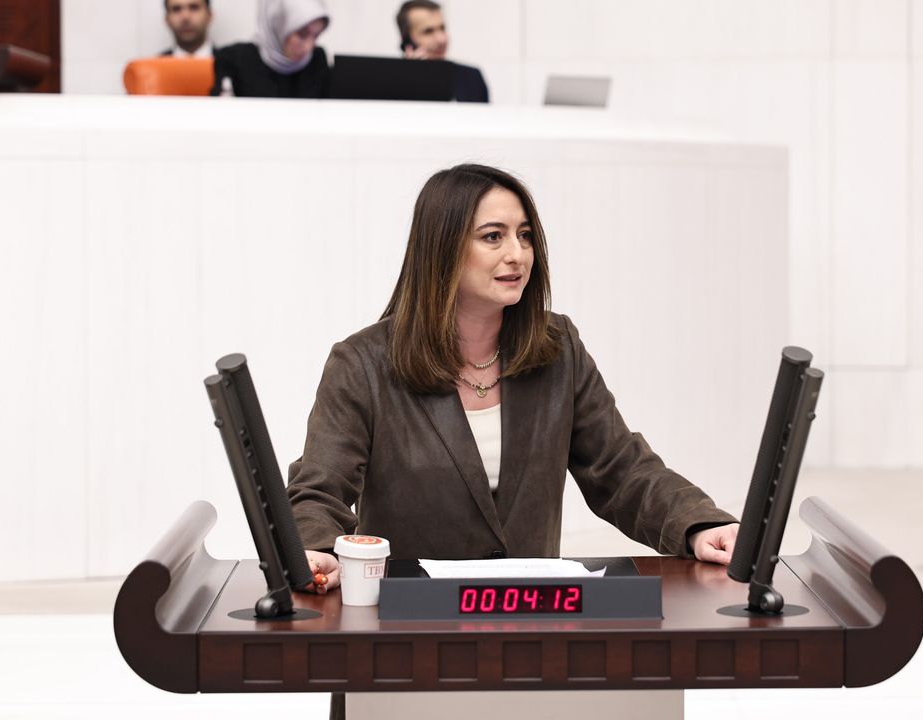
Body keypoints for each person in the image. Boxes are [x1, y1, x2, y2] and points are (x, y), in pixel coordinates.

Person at [288, 164, 740, 594]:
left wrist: (700, 524)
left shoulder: (558, 348)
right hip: (411, 621)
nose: (517, 254)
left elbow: (622, 471)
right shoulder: (363, 363)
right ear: (442, 248)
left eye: (524, 236)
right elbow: (319, 489)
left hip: (531, 616)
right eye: (493, 236)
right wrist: (316, 549)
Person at [211, 0, 331, 98]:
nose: (308, 47)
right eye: (302, 34)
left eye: (316, 36)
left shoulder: (317, 59)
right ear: (277, 23)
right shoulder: (233, 59)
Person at [395, 0, 489, 103]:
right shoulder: (394, 82)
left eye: (442, 28)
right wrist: (412, 77)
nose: (442, 39)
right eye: (428, 31)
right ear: (407, 40)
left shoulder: (470, 77)